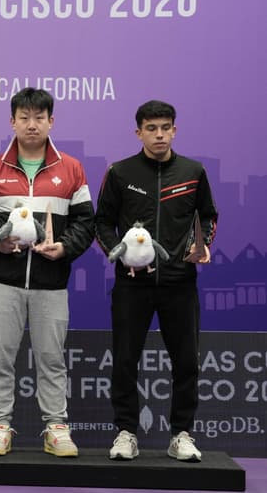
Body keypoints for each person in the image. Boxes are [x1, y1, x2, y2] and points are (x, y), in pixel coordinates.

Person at [0, 87, 94, 457]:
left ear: (51, 121)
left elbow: (86, 221)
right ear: (12, 121)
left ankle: (56, 428)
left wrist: (65, 247)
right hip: (3, 282)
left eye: (39, 117)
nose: (32, 125)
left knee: (52, 359)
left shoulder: (72, 169)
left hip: (51, 284)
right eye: (25, 117)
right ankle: (0, 426)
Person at [96, 100, 217, 462]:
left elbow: (208, 216)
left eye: (166, 127)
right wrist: (118, 253)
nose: (159, 134)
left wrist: (201, 244)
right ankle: (125, 433)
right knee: (124, 360)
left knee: (186, 363)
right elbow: (102, 222)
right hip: (131, 285)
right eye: (152, 128)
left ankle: (181, 434)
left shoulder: (194, 172)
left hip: (180, 283)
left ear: (175, 130)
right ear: (139, 132)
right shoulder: (120, 172)